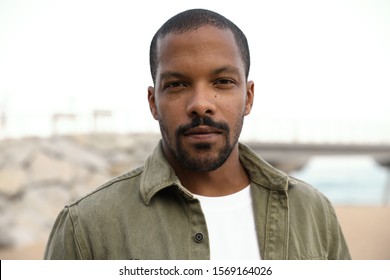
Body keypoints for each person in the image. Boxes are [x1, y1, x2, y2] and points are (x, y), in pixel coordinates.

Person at [44, 8, 351, 260]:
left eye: (222, 82)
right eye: (177, 85)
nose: (200, 105)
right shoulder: (84, 227)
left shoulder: (313, 212)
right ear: (154, 103)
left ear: (248, 97)